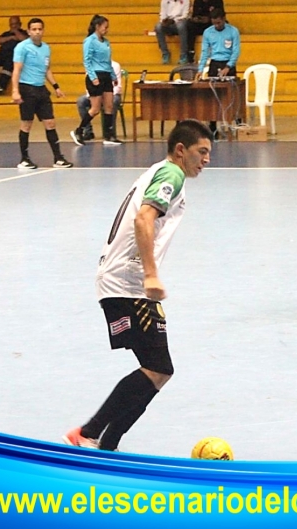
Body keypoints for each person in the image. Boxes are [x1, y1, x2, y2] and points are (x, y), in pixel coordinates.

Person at [62, 119, 213, 452]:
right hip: (127, 282)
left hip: (120, 281)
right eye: (201, 152)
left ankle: (107, 442)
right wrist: (150, 275)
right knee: (158, 367)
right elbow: (143, 218)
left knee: (159, 371)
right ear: (180, 150)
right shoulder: (171, 174)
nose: (206, 159)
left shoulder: (162, 172)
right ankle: (88, 433)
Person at [11, 18, 72, 169]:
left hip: (41, 89)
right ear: (29, 31)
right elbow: (17, 70)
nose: (37, 32)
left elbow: (47, 69)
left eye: (40, 29)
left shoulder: (46, 48)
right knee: (26, 124)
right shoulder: (22, 48)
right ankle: (24, 159)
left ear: (43, 30)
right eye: (34, 29)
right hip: (27, 88)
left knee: (50, 123)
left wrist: (56, 86)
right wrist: (15, 91)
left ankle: (58, 158)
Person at [71, 15, 122, 146]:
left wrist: (113, 76)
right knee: (95, 109)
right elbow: (87, 61)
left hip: (106, 76)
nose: (107, 30)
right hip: (96, 76)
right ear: (97, 27)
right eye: (105, 27)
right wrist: (93, 77)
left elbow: (108, 61)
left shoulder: (106, 42)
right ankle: (79, 130)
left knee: (109, 106)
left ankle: (109, 136)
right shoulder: (89, 41)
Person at [195, 8, 240, 136]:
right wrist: (200, 69)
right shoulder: (207, 32)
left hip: (228, 64)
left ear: (224, 19)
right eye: (215, 23)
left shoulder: (233, 31)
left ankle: (237, 123)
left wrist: (228, 66)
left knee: (231, 95)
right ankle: (213, 126)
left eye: (219, 23)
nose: (217, 26)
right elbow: (205, 52)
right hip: (214, 64)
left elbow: (236, 51)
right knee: (212, 96)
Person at [76, 60, 123, 141]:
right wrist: (94, 97)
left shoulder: (115, 66)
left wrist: (106, 97)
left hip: (112, 94)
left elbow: (117, 86)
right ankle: (87, 131)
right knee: (81, 101)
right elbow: (89, 86)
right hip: (96, 93)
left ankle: (109, 133)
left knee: (112, 102)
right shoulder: (91, 66)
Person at [0, 16, 27, 95]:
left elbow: (25, 39)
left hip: (14, 55)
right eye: (11, 24)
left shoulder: (24, 32)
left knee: (9, 63)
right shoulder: (6, 34)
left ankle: (1, 86)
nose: (13, 26)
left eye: (15, 24)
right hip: (2, 54)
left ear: (20, 24)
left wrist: (16, 32)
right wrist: (11, 37)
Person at [156, 0, 190, 65]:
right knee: (158, 27)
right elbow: (162, 14)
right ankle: (165, 53)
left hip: (179, 21)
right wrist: (163, 21)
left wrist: (174, 21)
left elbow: (185, 15)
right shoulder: (164, 1)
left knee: (181, 26)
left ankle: (183, 54)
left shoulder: (186, 1)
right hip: (168, 23)